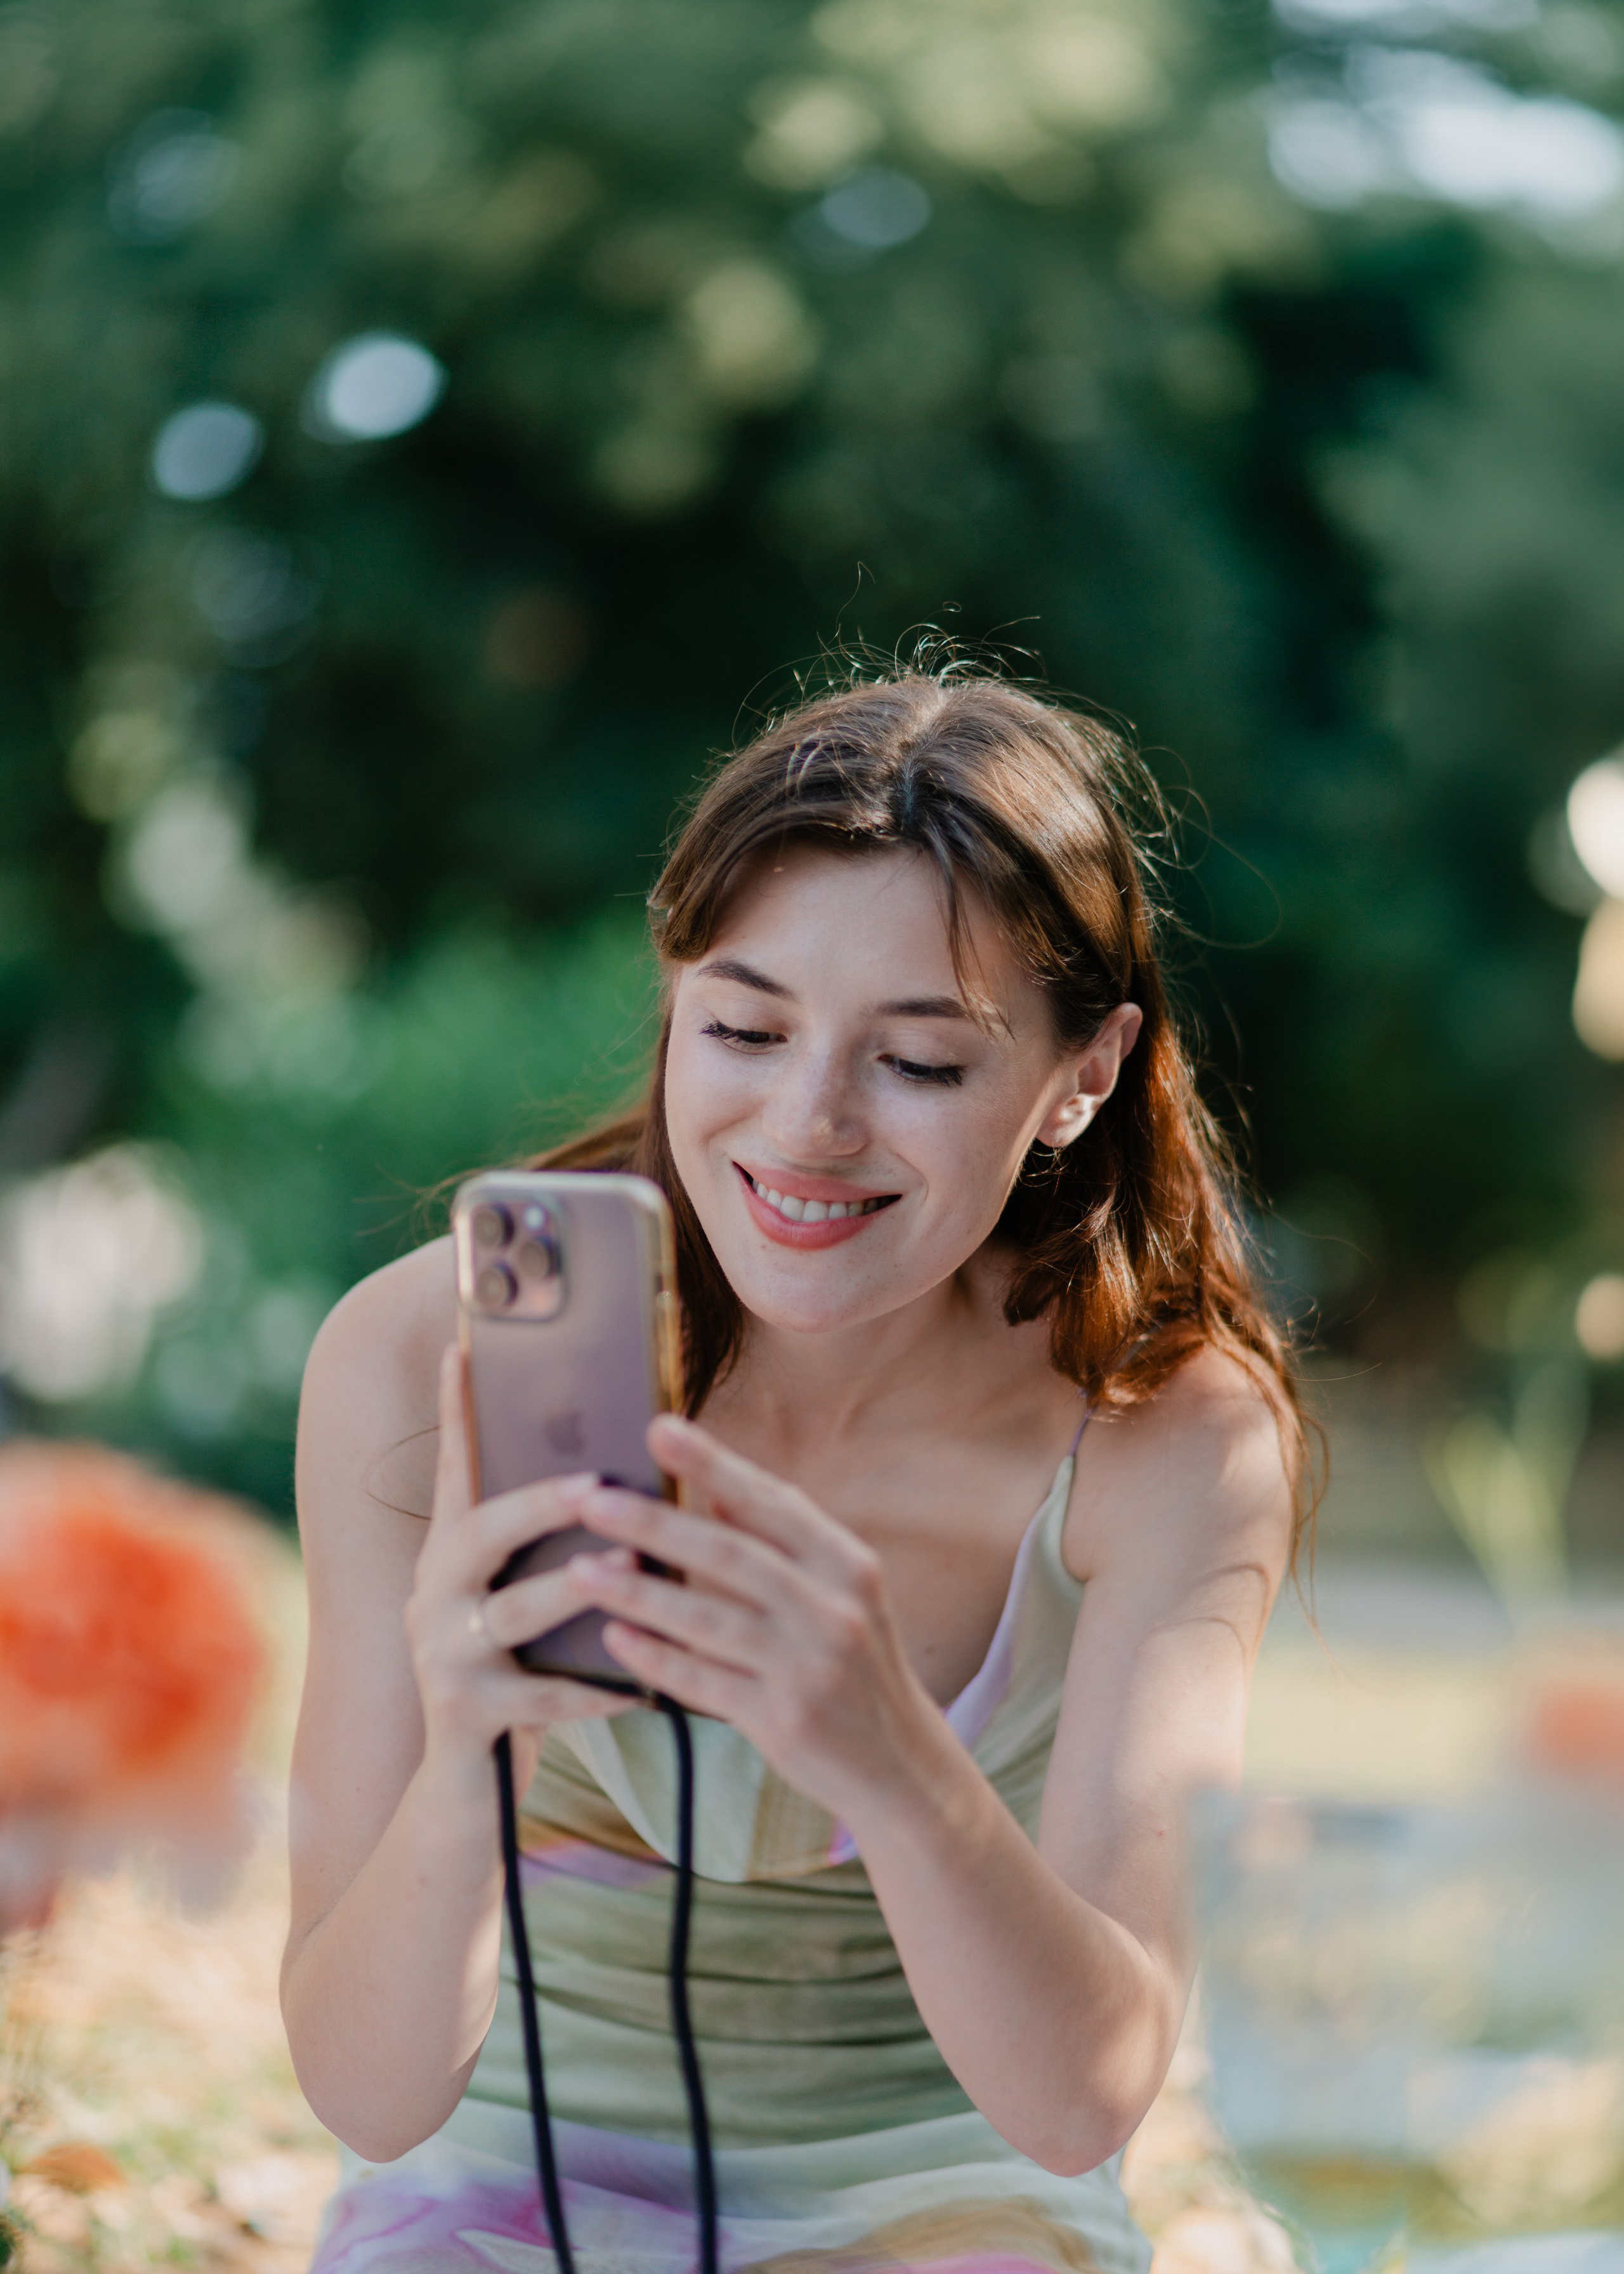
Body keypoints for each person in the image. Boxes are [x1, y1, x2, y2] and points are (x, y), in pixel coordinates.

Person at [285, 669, 1303, 2274]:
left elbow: (1081, 2103)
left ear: (1082, 1074)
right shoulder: (417, 1369)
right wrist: (474, 1762)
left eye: (917, 1061)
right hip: (498, 2191)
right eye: (744, 1028)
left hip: (957, 2202)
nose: (805, 1124)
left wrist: (891, 1754)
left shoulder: (1166, 1436)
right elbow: (367, 2089)